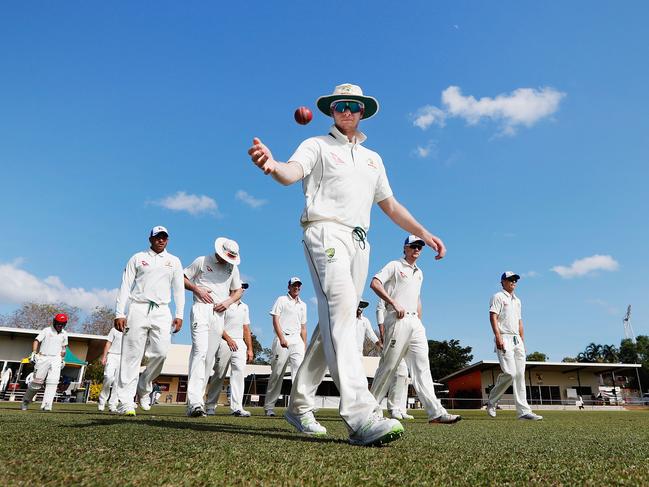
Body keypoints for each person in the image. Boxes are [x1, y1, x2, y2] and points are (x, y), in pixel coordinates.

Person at [248, 83, 447, 446]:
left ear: (362, 112)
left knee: (331, 326)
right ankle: (362, 415)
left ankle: (299, 404)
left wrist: (423, 231)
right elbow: (291, 172)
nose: (348, 111)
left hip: (360, 242)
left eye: (354, 106)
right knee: (341, 315)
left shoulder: (374, 159)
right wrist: (272, 165)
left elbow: (389, 205)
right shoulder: (317, 145)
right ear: (331, 111)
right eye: (341, 105)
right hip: (324, 233)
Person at [370, 235, 460, 425]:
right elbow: (375, 283)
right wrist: (393, 303)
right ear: (405, 248)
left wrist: (419, 319)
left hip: (415, 323)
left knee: (422, 367)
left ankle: (435, 412)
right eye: (413, 246)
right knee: (389, 366)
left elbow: (417, 297)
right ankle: (369, 410)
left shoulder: (419, 272)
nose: (417, 249)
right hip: (397, 319)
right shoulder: (395, 265)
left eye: (420, 246)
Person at [114, 226, 185, 416]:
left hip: (162, 310)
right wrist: (119, 313)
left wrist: (180, 314)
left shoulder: (174, 261)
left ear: (168, 240)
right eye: (157, 237)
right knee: (131, 355)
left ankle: (144, 386)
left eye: (164, 237)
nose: (161, 240)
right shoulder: (137, 258)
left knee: (161, 352)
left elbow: (178, 289)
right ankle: (126, 402)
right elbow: (125, 285)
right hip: (138, 307)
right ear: (150, 239)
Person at [183, 237, 243, 417]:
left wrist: (229, 302)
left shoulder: (232, 267)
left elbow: (238, 290)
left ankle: (197, 403)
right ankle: (194, 402)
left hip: (219, 314)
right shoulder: (201, 261)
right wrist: (197, 289)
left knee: (209, 359)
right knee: (199, 352)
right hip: (201, 310)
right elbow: (182, 278)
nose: (228, 260)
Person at [486, 272, 543, 420]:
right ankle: (492, 401)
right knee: (510, 373)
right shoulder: (498, 296)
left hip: (517, 339)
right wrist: (498, 337)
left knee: (519, 375)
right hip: (504, 337)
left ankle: (523, 412)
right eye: (510, 280)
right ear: (503, 282)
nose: (513, 282)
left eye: (515, 280)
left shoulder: (517, 300)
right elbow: (493, 316)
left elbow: (520, 322)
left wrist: (523, 342)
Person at [206, 283, 253, 416]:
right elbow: (217, 325)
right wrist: (229, 339)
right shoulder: (224, 303)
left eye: (244, 287)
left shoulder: (244, 307)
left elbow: (246, 329)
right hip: (224, 341)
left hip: (239, 343)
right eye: (241, 286)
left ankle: (237, 407)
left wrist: (250, 348)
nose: (243, 289)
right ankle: (210, 405)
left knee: (239, 372)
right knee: (220, 374)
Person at [264, 277, 308, 417]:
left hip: (297, 340)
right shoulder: (281, 300)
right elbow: (275, 319)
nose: (296, 288)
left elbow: (303, 328)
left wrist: (304, 345)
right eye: (294, 285)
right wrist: (282, 337)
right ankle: (269, 406)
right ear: (289, 286)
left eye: (298, 286)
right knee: (277, 373)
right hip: (283, 338)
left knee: (299, 373)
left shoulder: (303, 305)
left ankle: (297, 407)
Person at [21, 313, 68, 411]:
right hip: (43, 357)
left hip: (56, 359)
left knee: (53, 382)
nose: (60, 326)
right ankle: (26, 401)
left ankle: (47, 405)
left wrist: (62, 358)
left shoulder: (64, 334)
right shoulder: (47, 330)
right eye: (58, 323)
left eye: (62, 324)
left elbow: (64, 348)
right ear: (55, 322)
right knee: (37, 383)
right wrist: (34, 352)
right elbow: (36, 340)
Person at [377, 299, 412, 420]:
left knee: (403, 374)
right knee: (388, 370)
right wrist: (382, 330)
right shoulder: (387, 286)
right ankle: (375, 407)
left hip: (405, 331)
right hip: (391, 331)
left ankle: (398, 408)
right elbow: (380, 308)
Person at [97, 327, 123, 412]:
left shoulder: (132, 329)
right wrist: (104, 356)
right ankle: (102, 401)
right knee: (108, 377)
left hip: (123, 358)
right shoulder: (115, 329)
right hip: (112, 355)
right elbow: (108, 343)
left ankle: (113, 404)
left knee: (117, 382)